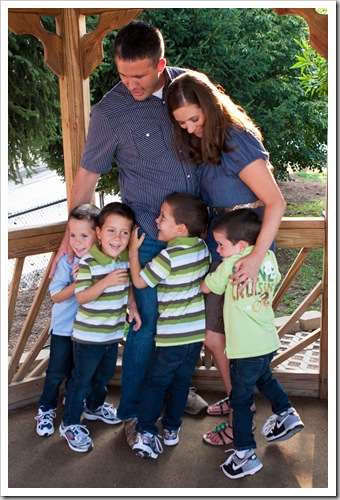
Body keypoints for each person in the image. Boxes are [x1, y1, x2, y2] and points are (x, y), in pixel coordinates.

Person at [50, 20, 198, 447]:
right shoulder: (109, 112)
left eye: (140, 75)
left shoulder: (185, 90)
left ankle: (174, 391)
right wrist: (71, 234)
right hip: (147, 238)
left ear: (161, 64)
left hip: (194, 237)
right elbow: (87, 175)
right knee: (144, 326)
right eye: (122, 74)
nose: (131, 84)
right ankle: (134, 414)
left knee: (184, 324)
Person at [167, 70, 286, 445]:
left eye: (194, 118)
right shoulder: (207, 142)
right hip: (221, 251)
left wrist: (255, 258)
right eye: (181, 122)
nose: (189, 127)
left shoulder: (236, 139)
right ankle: (242, 403)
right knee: (217, 336)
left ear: (210, 107)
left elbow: (276, 201)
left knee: (228, 337)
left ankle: (241, 416)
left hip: (244, 252)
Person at [201, 209, 304, 479]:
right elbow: (276, 279)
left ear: (241, 246)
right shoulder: (267, 258)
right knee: (265, 378)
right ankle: (286, 413)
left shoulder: (230, 265)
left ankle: (245, 453)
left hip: (245, 349)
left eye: (221, 244)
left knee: (240, 401)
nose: (219, 250)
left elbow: (208, 287)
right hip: (267, 341)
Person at [129, 192, 211, 459]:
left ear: (180, 229)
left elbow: (141, 282)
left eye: (162, 217)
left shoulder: (168, 257)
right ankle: (172, 430)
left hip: (172, 336)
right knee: (181, 382)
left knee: (156, 383)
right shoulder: (202, 249)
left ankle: (146, 431)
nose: (156, 220)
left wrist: (133, 253)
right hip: (194, 335)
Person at [59, 202, 141, 453]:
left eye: (124, 232)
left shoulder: (125, 258)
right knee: (81, 381)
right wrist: (105, 281)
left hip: (111, 334)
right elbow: (82, 297)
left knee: (104, 377)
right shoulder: (90, 262)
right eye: (111, 231)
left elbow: (128, 287)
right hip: (87, 337)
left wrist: (133, 307)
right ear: (98, 233)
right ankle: (69, 422)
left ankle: (94, 408)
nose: (117, 238)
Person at [35, 204, 99, 437]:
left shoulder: (100, 262)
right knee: (56, 372)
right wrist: (76, 284)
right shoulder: (67, 263)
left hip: (88, 331)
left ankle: (73, 405)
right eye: (72, 235)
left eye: (84, 235)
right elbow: (56, 296)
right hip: (63, 330)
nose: (77, 241)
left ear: (98, 234)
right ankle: (46, 408)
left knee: (79, 372)